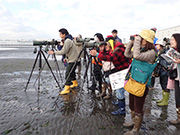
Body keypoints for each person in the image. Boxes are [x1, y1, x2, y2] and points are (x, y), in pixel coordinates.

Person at [123, 29, 157, 135]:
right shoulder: (142, 50)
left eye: (141, 38)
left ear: (146, 41)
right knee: (132, 105)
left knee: (138, 107)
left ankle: (136, 130)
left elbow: (136, 56)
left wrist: (136, 41)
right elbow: (127, 54)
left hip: (141, 85)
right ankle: (134, 122)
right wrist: (131, 42)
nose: (139, 40)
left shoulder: (151, 53)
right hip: (133, 81)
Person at [90, 35, 130, 115]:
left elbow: (112, 58)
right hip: (119, 71)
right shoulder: (113, 49)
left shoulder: (119, 49)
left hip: (123, 71)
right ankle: (119, 102)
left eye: (106, 45)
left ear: (111, 44)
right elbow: (105, 56)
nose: (105, 47)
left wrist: (97, 54)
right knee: (118, 89)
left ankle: (122, 109)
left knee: (119, 90)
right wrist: (100, 50)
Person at [48, 28, 78, 95]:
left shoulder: (67, 41)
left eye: (60, 34)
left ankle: (67, 89)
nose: (59, 35)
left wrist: (54, 52)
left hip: (72, 59)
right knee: (72, 72)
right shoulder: (68, 40)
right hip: (72, 58)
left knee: (68, 73)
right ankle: (75, 83)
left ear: (64, 34)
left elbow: (64, 51)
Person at [152, 40, 170, 106]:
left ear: (161, 45)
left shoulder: (165, 53)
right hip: (162, 71)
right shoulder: (161, 52)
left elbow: (166, 63)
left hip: (165, 72)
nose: (156, 46)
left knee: (165, 85)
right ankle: (163, 99)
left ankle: (165, 101)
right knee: (162, 84)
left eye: (157, 45)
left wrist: (159, 60)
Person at [168, 33, 180, 125]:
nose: (170, 41)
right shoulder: (173, 51)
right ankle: (179, 118)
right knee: (177, 99)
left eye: (173, 39)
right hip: (176, 78)